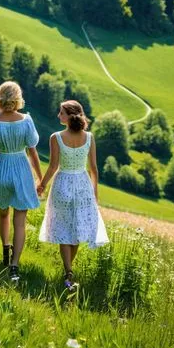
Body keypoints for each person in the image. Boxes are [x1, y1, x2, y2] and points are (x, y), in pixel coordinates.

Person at [37, 100, 109, 290]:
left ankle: (68, 270)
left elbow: (53, 167)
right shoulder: (90, 137)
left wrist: (42, 185)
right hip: (83, 186)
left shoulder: (56, 137)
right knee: (76, 232)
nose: (58, 115)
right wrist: (95, 194)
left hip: (62, 184)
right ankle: (68, 271)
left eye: (61, 112)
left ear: (70, 116)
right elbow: (94, 169)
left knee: (64, 230)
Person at [0, 81, 42, 281]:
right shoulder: (26, 120)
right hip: (21, 168)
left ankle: (5, 248)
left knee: (3, 214)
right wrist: (40, 177)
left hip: (0, 168)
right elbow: (32, 152)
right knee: (20, 222)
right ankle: (15, 265)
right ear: (18, 98)